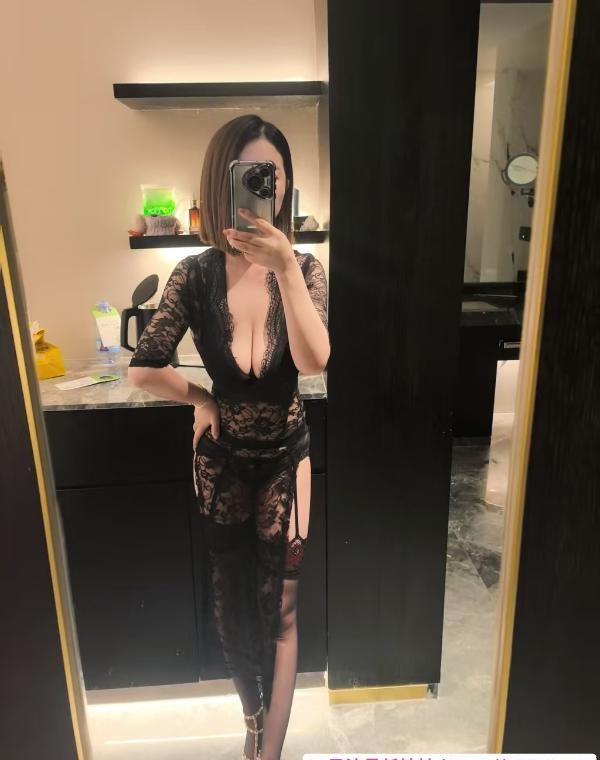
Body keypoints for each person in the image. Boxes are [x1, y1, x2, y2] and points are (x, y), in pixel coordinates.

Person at [128, 114, 330, 760]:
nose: (267, 187)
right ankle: (253, 719)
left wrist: (286, 268)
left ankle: (267, 754)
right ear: (226, 181)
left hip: (287, 456)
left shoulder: (305, 268)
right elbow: (143, 368)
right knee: (232, 605)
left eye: (276, 176)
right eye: (254, 175)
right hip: (220, 461)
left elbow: (314, 360)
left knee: (283, 609)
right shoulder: (194, 274)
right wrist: (202, 398)